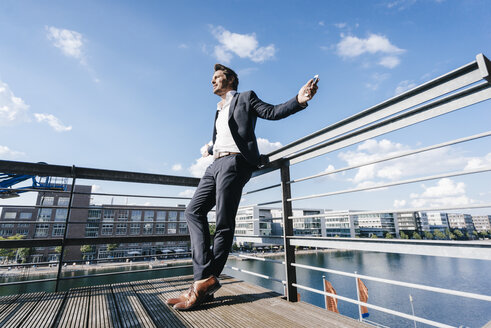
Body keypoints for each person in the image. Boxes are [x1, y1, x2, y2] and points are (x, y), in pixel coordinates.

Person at [166, 64, 318, 311]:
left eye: (217, 77)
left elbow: (273, 112)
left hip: (235, 162)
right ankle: (205, 279)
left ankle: (200, 286)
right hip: (215, 163)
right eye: (212, 78)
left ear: (231, 79)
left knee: (224, 222)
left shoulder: (246, 98)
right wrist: (210, 147)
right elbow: (223, 136)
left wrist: (299, 100)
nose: (212, 81)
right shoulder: (218, 110)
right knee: (193, 210)